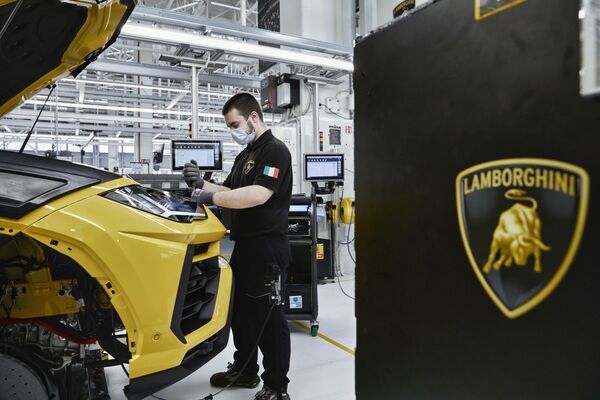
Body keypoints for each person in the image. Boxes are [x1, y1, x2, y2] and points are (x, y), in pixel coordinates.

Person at [183, 93, 292, 400]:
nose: (233, 130)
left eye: (235, 124)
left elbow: (259, 194)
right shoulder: (245, 155)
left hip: (267, 248)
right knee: (242, 314)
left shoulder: (274, 151)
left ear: (253, 117)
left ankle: (275, 386)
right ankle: (245, 371)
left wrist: (211, 198)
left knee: (269, 319)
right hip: (244, 246)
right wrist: (201, 185)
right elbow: (229, 189)